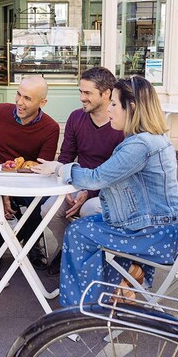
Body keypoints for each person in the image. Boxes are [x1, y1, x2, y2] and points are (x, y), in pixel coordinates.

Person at [33, 76, 178, 307]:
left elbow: (98, 177)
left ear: (131, 107)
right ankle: (119, 283)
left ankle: (80, 305)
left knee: (78, 232)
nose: (110, 110)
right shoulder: (154, 138)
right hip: (166, 229)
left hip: (155, 235)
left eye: (114, 104)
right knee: (94, 223)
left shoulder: (139, 145)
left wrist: (59, 168)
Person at [39, 67, 123, 273]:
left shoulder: (120, 125)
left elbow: (117, 174)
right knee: (48, 209)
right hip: (77, 181)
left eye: (88, 93)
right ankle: (70, 250)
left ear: (106, 94)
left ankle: (84, 257)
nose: (82, 98)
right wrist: (67, 190)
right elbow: (66, 158)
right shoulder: (76, 118)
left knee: (88, 210)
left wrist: (89, 193)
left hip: (109, 189)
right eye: (80, 92)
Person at [0, 75, 60, 266]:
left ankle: (26, 244)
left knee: (35, 203)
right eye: (19, 94)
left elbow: (42, 167)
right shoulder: (0, 111)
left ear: (42, 102)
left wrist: (12, 189)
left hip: (28, 179)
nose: (19, 102)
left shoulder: (51, 128)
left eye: (27, 98)